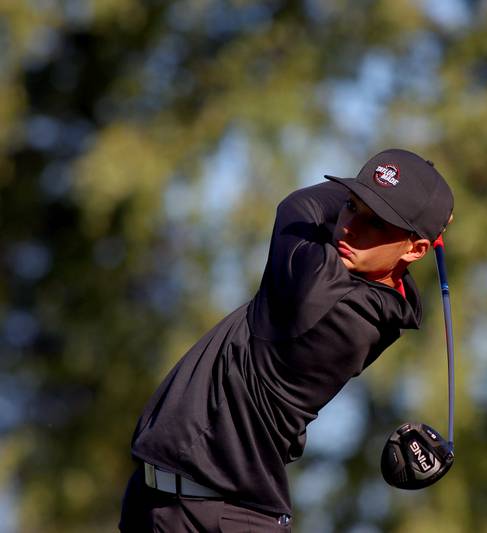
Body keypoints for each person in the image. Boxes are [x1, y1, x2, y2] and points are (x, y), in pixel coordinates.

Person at [118, 148, 455, 532]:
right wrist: (382, 195)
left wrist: (368, 191)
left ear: (416, 249)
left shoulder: (316, 291)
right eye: (351, 206)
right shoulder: (379, 296)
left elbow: (300, 206)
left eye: (376, 223)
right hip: (171, 505)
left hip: (217, 517)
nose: (349, 227)